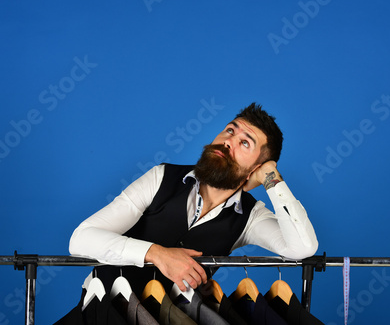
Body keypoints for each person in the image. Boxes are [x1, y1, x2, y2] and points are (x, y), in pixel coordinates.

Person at [69, 103, 318, 297]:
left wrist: (271, 179)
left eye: (245, 143)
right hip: (100, 307)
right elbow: (81, 238)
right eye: (230, 130)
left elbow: (302, 248)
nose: (228, 141)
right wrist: (156, 254)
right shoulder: (161, 178)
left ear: (256, 168)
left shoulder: (250, 217)